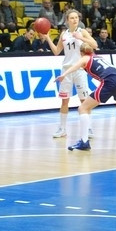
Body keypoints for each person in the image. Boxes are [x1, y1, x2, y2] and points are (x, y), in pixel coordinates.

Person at [55, 42, 116, 151]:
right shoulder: (100, 57)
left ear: (81, 53)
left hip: (109, 81)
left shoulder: (85, 58)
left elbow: (74, 66)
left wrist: (63, 75)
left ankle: (84, 142)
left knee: (83, 108)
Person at [47, 9, 98, 139]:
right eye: (72, 18)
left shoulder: (83, 31)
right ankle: (62, 129)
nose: (75, 20)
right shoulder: (64, 34)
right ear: (67, 20)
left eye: (77, 17)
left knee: (84, 101)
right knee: (65, 101)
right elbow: (56, 51)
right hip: (66, 70)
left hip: (80, 70)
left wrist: (81, 38)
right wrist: (47, 37)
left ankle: (89, 128)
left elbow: (95, 45)